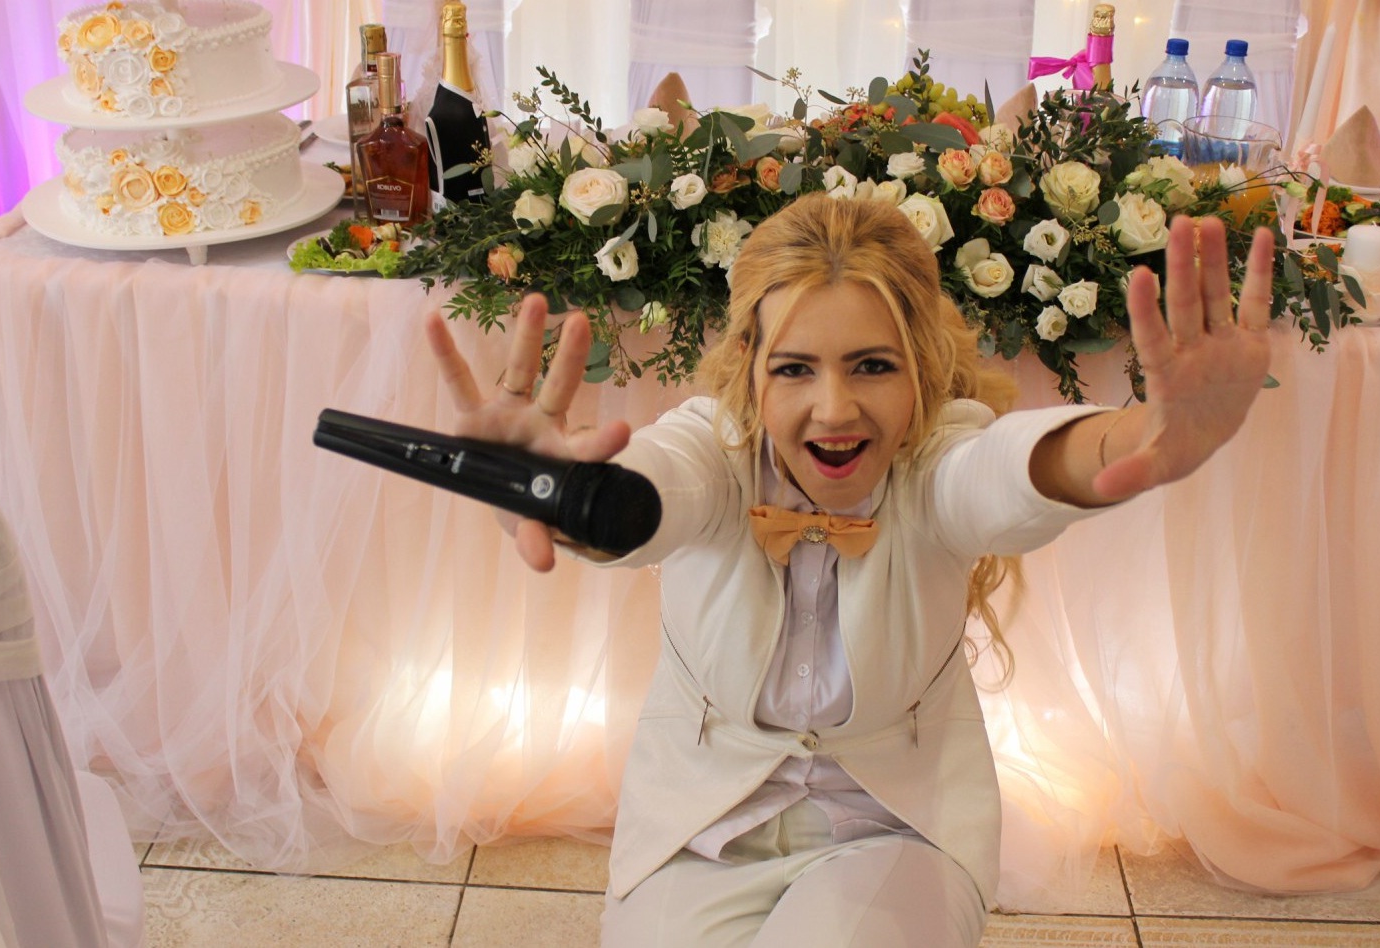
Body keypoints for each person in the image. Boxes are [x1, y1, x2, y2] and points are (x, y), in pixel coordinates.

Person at [425, 192, 1274, 947]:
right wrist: (559, 491)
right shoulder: (711, 450)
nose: (834, 410)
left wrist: (1139, 438)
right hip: (696, 833)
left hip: (896, 833)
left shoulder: (938, 462)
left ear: (920, 368)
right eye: (795, 369)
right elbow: (650, 491)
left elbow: (1005, 472)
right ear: (750, 369)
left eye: (872, 365)